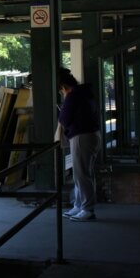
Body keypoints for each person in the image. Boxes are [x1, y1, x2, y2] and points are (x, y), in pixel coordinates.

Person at [57, 68, 101, 221]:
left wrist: (62, 108)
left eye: (61, 91)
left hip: (81, 137)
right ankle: (78, 204)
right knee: (84, 173)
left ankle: (87, 209)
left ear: (63, 87)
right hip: (92, 135)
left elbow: (65, 119)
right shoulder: (85, 93)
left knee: (81, 174)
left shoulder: (73, 96)